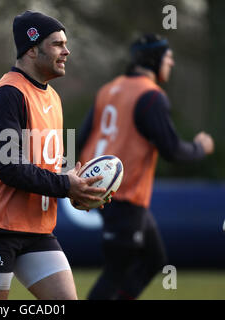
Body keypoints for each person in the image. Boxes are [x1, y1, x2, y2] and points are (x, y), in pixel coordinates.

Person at [0, 11, 109, 300]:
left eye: (65, 43)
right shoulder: (7, 95)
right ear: (32, 49)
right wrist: (65, 186)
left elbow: (51, 162)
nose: (67, 51)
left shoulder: (52, 96)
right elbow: (7, 165)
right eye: (57, 44)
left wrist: (76, 185)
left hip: (35, 227)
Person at [78, 34, 215, 300]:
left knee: (153, 259)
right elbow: (172, 150)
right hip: (123, 194)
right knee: (117, 269)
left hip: (106, 189)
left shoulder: (109, 88)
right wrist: (201, 147)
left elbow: (83, 139)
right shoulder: (151, 96)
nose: (172, 62)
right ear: (154, 59)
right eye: (168, 56)